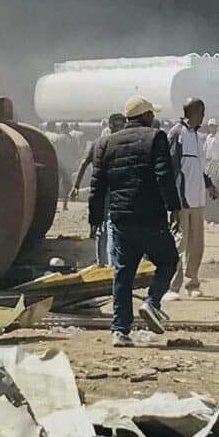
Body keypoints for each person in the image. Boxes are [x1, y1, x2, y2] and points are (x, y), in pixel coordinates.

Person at [86, 95, 182, 347]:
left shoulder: (106, 143)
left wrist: (95, 218)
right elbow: (164, 174)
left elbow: (97, 185)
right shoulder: (155, 137)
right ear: (147, 116)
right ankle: (151, 302)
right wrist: (174, 207)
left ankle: (120, 330)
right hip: (150, 217)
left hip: (119, 219)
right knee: (168, 260)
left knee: (123, 274)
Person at [170, 97, 214, 289]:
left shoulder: (198, 136)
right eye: (201, 112)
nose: (203, 116)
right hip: (182, 199)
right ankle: (173, 285)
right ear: (193, 112)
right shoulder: (177, 133)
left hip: (197, 199)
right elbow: (170, 167)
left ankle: (192, 282)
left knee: (197, 244)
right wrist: (172, 200)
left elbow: (198, 167)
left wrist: (209, 184)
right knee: (180, 243)